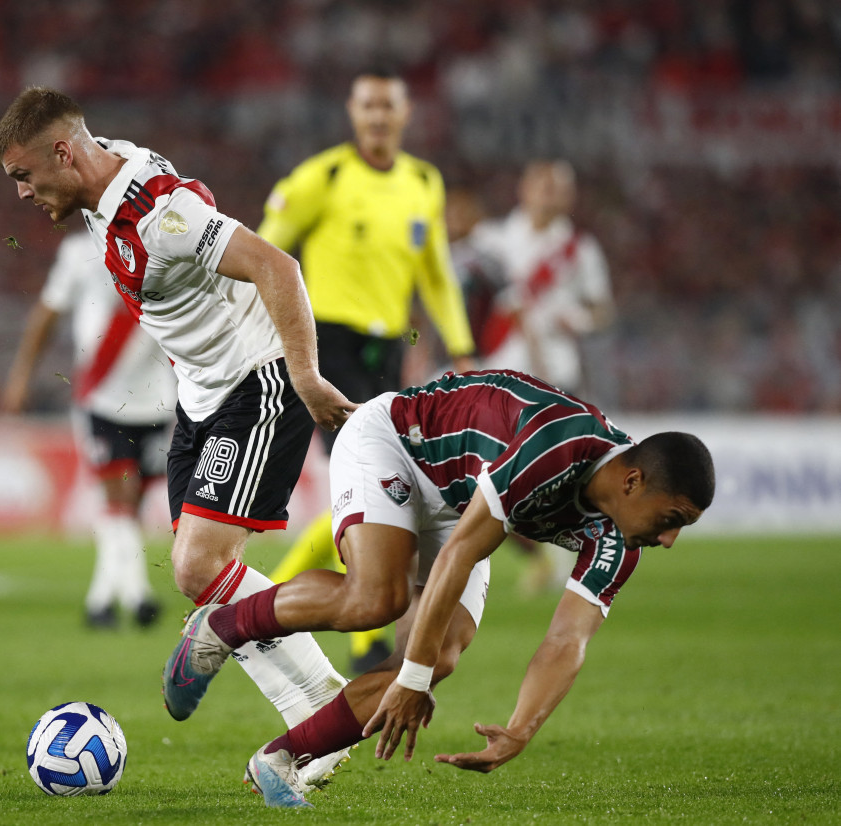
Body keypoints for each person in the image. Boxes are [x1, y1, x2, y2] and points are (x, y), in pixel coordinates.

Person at [0, 77, 358, 786]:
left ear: (63, 155)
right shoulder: (88, 172)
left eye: (24, 178)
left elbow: (277, 265)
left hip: (258, 383)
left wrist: (304, 375)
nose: (18, 192)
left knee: (198, 567)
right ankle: (318, 712)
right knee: (203, 578)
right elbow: (22, 150)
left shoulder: (160, 217)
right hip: (200, 396)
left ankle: (327, 718)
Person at [162, 369, 714, 808]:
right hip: (398, 444)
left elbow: (568, 640)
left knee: (440, 654)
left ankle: (279, 762)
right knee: (377, 600)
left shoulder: (621, 541)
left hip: (460, 502)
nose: (669, 539)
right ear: (633, 481)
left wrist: (521, 729)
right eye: (673, 517)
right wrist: (412, 678)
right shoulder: (556, 450)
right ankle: (222, 625)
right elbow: (459, 556)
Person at [259, 67, 477, 674]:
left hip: (387, 348)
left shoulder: (422, 183)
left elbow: (434, 272)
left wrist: (461, 347)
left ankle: (313, 616)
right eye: (368, 106)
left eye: (388, 106)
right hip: (328, 343)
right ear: (353, 113)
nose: (378, 116)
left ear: (405, 114)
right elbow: (261, 251)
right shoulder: (323, 177)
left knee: (375, 488)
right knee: (377, 484)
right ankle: (284, 610)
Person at [2, 229, 175, 629]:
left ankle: (100, 599)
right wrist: (21, 374)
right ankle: (137, 595)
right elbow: (48, 311)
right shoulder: (81, 250)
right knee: (119, 495)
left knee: (128, 506)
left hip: (157, 401)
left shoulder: (164, 243)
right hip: (101, 396)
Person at [471, 160, 617, 595]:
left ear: (569, 196)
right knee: (486, 471)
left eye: (559, 187)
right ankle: (538, 555)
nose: (550, 194)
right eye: (543, 185)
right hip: (498, 372)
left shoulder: (579, 248)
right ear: (525, 188)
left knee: (555, 476)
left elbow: (601, 308)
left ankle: (567, 552)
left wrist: (578, 320)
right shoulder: (491, 239)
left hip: (556, 373)